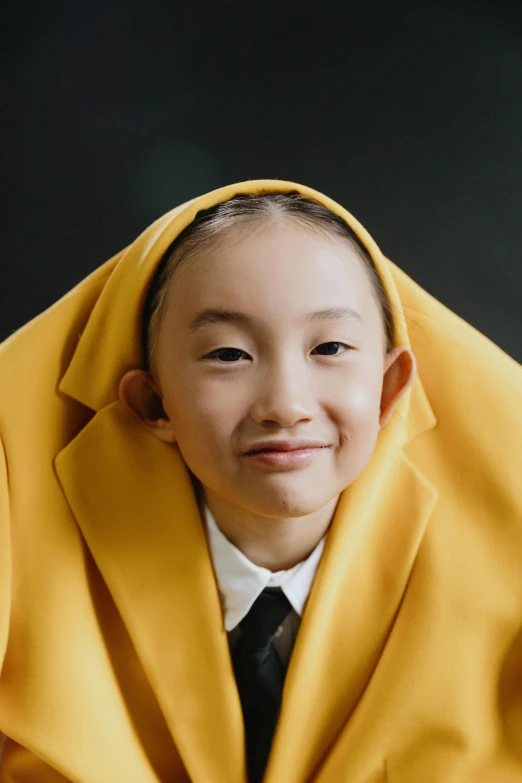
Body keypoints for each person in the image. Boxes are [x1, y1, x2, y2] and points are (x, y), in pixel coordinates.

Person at [0, 179, 521, 783]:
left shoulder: (505, 535)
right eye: (229, 355)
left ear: (389, 390)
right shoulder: (18, 503)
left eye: (328, 346)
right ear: (152, 402)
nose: (285, 405)